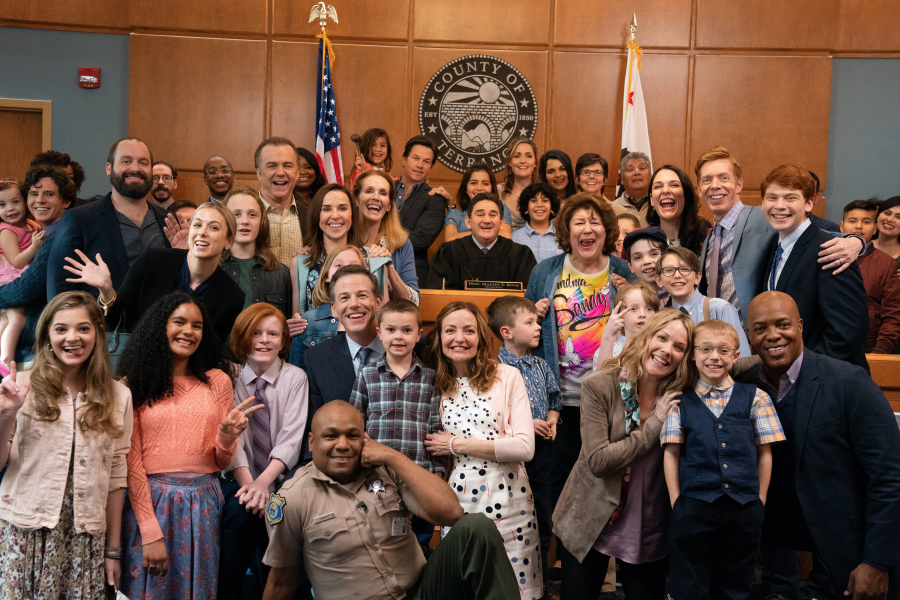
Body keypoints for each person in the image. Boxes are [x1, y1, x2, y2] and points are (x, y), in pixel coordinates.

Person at [260, 400, 519, 600]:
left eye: (353, 435)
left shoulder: (385, 470)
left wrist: (392, 456)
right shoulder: (291, 498)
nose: (343, 444)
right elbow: (281, 582)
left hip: (422, 591)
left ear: (365, 438)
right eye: (331, 436)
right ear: (311, 441)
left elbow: (451, 512)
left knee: (476, 527)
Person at [738, 292, 900, 600]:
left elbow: (890, 477)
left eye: (783, 324)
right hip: (774, 558)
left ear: (800, 326)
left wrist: (877, 561)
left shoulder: (848, 382)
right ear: (749, 334)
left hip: (848, 556)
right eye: (760, 328)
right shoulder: (743, 385)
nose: (773, 335)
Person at [116, 293, 258, 599]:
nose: (188, 331)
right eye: (179, 322)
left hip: (204, 503)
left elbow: (220, 462)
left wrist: (227, 437)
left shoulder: (218, 381)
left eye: (197, 325)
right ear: (160, 327)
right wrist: (150, 532)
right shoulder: (132, 384)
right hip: (150, 503)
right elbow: (131, 462)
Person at [0, 292, 133, 599]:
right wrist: (6, 414)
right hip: (26, 532)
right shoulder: (21, 387)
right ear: (47, 335)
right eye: (61, 329)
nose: (72, 338)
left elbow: (116, 477)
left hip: (84, 539)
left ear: (97, 333)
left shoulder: (119, 396)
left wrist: (113, 551)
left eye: (83, 328)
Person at [552, 310, 690, 600]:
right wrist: (654, 424)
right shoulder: (601, 385)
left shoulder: (679, 391)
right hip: (591, 516)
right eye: (662, 337)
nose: (667, 350)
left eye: (679, 347)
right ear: (645, 336)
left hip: (648, 524)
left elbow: (728, 361)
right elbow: (599, 461)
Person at [525, 193, 636, 516]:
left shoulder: (622, 271)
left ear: (606, 230)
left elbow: (643, 326)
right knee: (557, 485)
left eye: (595, 222)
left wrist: (628, 294)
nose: (587, 229)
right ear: (566, 231)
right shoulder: (545, 271)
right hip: (558, 403)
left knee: (605, 484)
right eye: (579, 222)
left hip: (609, 398)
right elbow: (524, 329)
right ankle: (561, 546)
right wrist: (533, 315)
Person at [422, 302, 540, 600]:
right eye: (450, 330)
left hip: (511, 502)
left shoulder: (507, 376)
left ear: (481, 337)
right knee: (467, 587)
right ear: (439, 337)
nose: (459, 338)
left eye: (469, 330)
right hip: (459, 503)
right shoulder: (435, 384)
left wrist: (454, 444)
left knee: (515, 591)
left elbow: (524, 447)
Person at [662, 319, 784, 600]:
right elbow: (671, 453)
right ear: (693, 354)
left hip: (743, 508)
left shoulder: (756, 397)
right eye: (705, 349)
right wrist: (677, 502)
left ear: (736, 356)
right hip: (693, 507)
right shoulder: (679, 402)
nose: (714, 357)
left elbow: (765, 453)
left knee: (735, 585)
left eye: (723, 350)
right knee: (689, 586)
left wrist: (760, 500)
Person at [695, 146, 863, 325]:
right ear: (699, 189)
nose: (715, 185)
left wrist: (856, 241)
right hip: (718, 335)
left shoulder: (765, 215)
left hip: (753, 334)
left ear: (739, 185)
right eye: (707, 180)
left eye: (724, 178)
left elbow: (813, 231)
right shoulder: (711, 236)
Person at [219, 303, 309, 600]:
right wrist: (252, 487)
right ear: (241, 337)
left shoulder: (295, 378)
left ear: (283, 342)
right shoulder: (229, 380)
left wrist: (264, 484)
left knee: (280, 514)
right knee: (239, 513)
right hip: (240, 478)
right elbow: (234, 442)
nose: (264, 340)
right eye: (255, 333)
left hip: (281, 477)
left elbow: (291, 439)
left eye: (273, 334)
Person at [63, 201, 245, 345]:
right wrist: (106, 289)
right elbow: (122, 320)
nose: (202, 233)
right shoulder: (153, 261)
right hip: (137, 363)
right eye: (197, 225)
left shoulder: (232, 296)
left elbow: (211, 350)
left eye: (213, 228)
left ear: (229, 241)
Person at [350, 298, 442, 548]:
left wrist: (437, 474)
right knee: (377, 538)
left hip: (419, 475)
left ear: (419, 334)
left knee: (419, 540)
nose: (398, 337)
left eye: (407, 330)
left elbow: (435, 429)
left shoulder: (430, 378)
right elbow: (355, 424)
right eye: (391, 330)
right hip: (376, 477)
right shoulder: (367, 375)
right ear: (379, 332)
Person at [761, 164, 869, 370]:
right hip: (785, 374)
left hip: (825, 376)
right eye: (772, 198)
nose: (779, 205)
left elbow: (849, 330)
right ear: (763, 204)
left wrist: (805, 369)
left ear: (809, 203)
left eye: (790, 198)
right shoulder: (771, 247)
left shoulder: (831, 250)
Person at [488, 295, 561, 595]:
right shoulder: (493, 370)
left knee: (542, 515)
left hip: (542, 452)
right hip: (512, 456)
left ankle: (538, 583)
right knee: (513, 516)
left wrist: (552, 419)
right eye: (529, 322)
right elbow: (494, 416)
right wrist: (526, 424)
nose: (538, 327)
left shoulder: (541, 366)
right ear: (506, 332)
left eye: (537, 321)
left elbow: (554, 400)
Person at [47, 137, 174, 297]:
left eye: (143, 163)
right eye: (126, 161)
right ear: (109, 168)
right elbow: (60, 290)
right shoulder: (79, 219)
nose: (136, 168)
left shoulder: (170, 221)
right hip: (100, 313)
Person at [0, 166, 75, 362]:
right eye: (34, 194)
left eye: (49, 194)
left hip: (41, 346)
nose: (39, 200)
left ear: (66, 201)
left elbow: (26, 289)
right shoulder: (39, 231)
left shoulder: (60, 234)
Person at [303, 265, 384, 427]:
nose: (353, 304)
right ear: (334, 309)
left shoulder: (411, 349)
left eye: (362, 295)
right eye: (344, 298)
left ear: (377, 302)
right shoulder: (317, 359)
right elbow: (315, 429)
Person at [427, 193, 536, 290]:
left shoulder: (520, 255)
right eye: (480, 215)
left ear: (502, 223)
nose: (487, 220)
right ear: (468, 222)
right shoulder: (449, 252)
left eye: (493, 215)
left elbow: (525, 298)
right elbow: (441, 296)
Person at [656, 246, 751, 356]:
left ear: (697, 277)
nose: (677, 275)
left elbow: (742, 358)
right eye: (668, 270)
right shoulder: (660, 319)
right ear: (659, 280)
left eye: (685, 269)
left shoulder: (720, 309)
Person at [287, 245, 367, 369]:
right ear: (326, 277)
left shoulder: (375, 318)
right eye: (338, 265)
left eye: (354, 265)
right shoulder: (308, 321)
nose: (346, 269)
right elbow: (295, 372)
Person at [290, 183, 365, 314]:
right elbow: (297, 317)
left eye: (342, 208)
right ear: (317, 215)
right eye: (326, 209)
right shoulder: (300, 263)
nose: (335, 215)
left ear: (352, 215)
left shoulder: (372, 258)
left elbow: (382, 317)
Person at [221, 188, 293, 319]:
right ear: (224, 220)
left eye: (252, 215)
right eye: (236, 214)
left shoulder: (281, 274)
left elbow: (287, 324)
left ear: (262, 221)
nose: (245, 221)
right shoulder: (213, 269)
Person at [841, 199, 900, 353]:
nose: (858, 226)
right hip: (825, 345)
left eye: (866, 222)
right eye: (852, 221)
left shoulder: (887, 263)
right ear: (841, 226)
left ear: (874, 228)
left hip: (868, 346)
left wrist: (880, 351)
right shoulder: (825, 255)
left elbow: (893, 314)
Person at [354, 169, 421, 304]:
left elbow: (414, 303)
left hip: (388, 316)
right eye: (369, 191)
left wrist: (389, 267)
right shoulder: (344, 240)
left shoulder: (401, 244)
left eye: (383, 193)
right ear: (356, 200)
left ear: (389, 205)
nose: (376, 197)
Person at [0, 179, 44, 367]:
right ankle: (6, 360)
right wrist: (35, 247)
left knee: (6, 319)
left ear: (26, 201)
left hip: (22, 273)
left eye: (15, 202)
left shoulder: (31, 224)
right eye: (2, 205)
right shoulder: (6, 231)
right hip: (10, 278)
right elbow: (16, 261)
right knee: (17, 319)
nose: (10, 209)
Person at [395, 136, 446, 285]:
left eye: (426, 161)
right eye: (415, 158)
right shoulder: (384, 189)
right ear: (404, 160)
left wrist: (383, 241)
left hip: (411, 272)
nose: (420, 165)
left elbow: (421, 239)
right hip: (375, 265)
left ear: (431, 166)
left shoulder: (434, 199)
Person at [255, 137, 303, 266]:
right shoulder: (241, 216)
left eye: (288, 166)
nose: (281, 173)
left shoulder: (312, 217)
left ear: (297, 173)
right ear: (259, 174)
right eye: (272, 166)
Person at [646, 164, 711, 254]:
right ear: (651, 200)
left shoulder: (709, 238)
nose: (665, 190)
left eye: (674, 185)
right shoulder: (641, 240)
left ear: (686, 196)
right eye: (658, 186)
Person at [595, 281, 660, 366]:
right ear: (620, 315)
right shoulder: (609, 350)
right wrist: (608, 336)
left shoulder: (660, 348)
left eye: (649, 309)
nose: (642, 314)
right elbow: (601, 374)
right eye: (633, 309)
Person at [443, 163, 512, 242]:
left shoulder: (502, 209)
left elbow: (505, 237)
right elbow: (450, 239)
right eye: (473, 183)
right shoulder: (455, 214)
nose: (479, 188)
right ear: (466, 188)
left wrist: (463, 235)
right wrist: (487, 233)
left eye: (485, 183)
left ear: (492, 188)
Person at [513, 181, 563, 263]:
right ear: (526, 208)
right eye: (533, 201)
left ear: (552, 208)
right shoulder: (514, 238)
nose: (539, 205)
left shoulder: (563, 237)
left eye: (545, 200)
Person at [499, 137, 539, 232]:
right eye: (517, 156)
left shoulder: (544, 194)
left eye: (529, 156)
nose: (523, 161)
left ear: (535, 163)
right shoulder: (498, 192)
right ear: (509, 162)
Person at [614, 151, 652, 226]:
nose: (637, 172)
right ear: (622, 179)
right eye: (630, 169)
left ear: (650, 176)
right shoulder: (613, 208)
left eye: (642, 168)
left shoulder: (659, 205)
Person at [292, 147, 326, 212]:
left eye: (308, 167)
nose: (302, 172)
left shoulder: (324, 198)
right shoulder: (283, 201)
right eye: (297, 168)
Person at [873, 196, 900, 261]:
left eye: (899, 217)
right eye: (887, 213)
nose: (890, 219)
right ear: (878, 215)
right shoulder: (859, 247)